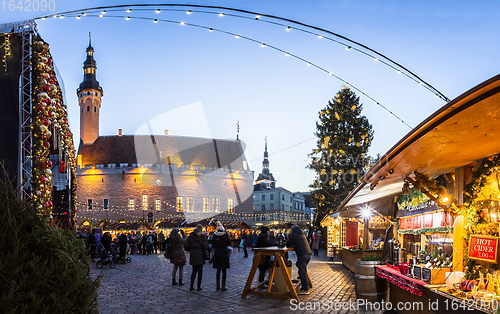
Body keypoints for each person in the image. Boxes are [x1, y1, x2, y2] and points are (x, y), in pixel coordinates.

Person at [286, 225, 312, 295]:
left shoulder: (294, 235)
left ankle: (305, 289)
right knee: (301, 267)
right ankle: (305, 285)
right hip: (308, 254)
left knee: (302, 271)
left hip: (302, 255)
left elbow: (288, 243)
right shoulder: (301, 234)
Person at [185, 224, 209, 291]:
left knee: (194, 271)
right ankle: (198, 286)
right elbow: (206, 246)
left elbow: (186, 245)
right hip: (201, 254)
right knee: (200, 272)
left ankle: (191, 286)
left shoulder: (191, 236)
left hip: (193, 254)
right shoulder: (203, 236)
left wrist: (191, 249)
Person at [212, 222, 231, 291]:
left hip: (217, 253)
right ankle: (223, 286)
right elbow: (229, 243)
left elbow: (212, 243)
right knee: (224, 270)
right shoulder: (225, 235)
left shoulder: (215, 235)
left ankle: (217, 286)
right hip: (224, 253)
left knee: (218, 270)